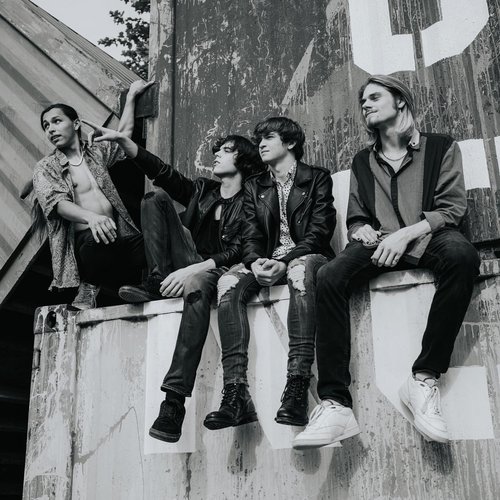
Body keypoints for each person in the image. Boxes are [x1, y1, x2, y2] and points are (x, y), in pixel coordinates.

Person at [293, 75, 480, 449]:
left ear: (400, 101)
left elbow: (452, 208)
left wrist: (404, 234)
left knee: (462, 256)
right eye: (363, 100)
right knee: (329, 275)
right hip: (378, 244)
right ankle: (335, 403)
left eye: (375, 97)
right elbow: (357, 215)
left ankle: (423, 378)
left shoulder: (440, 146)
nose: (366, 104)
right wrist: (360, 228)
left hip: (427, 236)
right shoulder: (362, 160)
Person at [82, 120, 265, 442]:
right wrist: (126, 143)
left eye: (226, 151)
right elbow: (162, 172)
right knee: (154, 198)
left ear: (243, 161)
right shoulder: (203, 191)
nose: (217, 155)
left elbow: (242, 249)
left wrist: (196, 271)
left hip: (219, 270)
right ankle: (156, 280)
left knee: (196, 287)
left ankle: (173, 403)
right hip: (186, 261)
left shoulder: (252, 199)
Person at [203, 116, 336, 431]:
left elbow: (319, 232)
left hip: (306, 256)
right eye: (259, 139)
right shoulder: (255, 185)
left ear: (290, 142)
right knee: (227, 282)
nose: (261, 144)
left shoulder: (316, 178)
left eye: (269, 137)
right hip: (267, 260)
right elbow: (250, 235)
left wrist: (286, 260)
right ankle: (235, 394)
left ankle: (297, 387)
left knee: (299, 272)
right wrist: (254, 262)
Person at [32, 80, 153, 309]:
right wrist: (92, 218)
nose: (51, 129)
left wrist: (131, 97)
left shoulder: (95, 153)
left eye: (57, 121)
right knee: (96, 243)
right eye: (46, 126)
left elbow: (123, 136)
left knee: (156, 241)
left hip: (118, 237)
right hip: (87, 243)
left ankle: (154, 285)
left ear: (76, 123)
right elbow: (58, 204)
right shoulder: (46, 167)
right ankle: (88, 288)